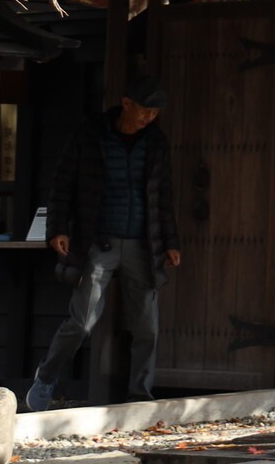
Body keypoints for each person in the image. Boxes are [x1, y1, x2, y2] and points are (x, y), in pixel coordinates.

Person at [26, 75, 181, 411]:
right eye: (144, 111)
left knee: (146, 327)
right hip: (97, 241)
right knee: (82, 321)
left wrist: (170, 241)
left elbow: (163, 196)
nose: (148, 118)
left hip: (143, 243)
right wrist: (57, 229)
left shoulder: (155, 142)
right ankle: (47, 377)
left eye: (155, 114)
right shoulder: (90, 133)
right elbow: (62, 184)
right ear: (126, 103)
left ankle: (140, 396)